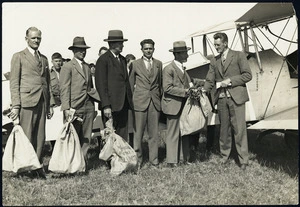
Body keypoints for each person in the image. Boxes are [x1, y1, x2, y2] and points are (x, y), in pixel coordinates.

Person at [9, 27, 54, 178]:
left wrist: (50, 105)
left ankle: (37, 166)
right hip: (27, 102)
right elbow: (14, 83)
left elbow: (47, 82)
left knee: (40, 137)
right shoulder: (19, 56)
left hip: (42, 101)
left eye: (39, 38)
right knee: (26, 136)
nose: (36, 41)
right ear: (26, 39)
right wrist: (16, 106)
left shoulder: (44, 58)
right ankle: (25, 169)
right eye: (33, 38)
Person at [202, 32, 252, 170]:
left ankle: (243, 161)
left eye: (218, 45)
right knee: (224, 130)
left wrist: (230, 81)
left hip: (237, 98)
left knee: (239, 129)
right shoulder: (214, 61)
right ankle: (224, 157)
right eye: (215, 45)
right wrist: (203, 91)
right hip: (222, 99)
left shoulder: (239, 55)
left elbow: (248, 75)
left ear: (225, 43)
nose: (216, 47)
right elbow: (209, 80)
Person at [59, 36, 96, 167]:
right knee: (72, 136)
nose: (83, 52)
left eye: (84, 49)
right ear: (73, 50)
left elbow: (90, 87)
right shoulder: (67, 66)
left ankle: (82, 163)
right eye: (79, 50)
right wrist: (66, 108)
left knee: (86, 136)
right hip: (74, 107)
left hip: (88, 106)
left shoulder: (87, 66)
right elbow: (64, 89)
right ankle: (71, 164)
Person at [129, 39, 163, 169]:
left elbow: (160, 84)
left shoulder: (159, 64)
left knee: (154, 134)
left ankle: (154, 160)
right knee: (138, 134)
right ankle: (138, 161)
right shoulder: (135, 64)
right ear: (141, 49)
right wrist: (133, 101)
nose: (148, 51)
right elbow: (131, 85)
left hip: (154, 103)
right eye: (146, 48)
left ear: (154, 49)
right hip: (139, 102)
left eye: (150, 48)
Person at [95, 30, 133, 142]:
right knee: (110, 135)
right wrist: (106, 105)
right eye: (120, 43)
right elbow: (101, 85)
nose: (122, 45)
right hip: (111, 105)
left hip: (123, 104)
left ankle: (122, 158)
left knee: (123, 135)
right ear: (112, 44)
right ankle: (111, 159)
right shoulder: (103, 60)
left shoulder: (122, 59)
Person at [161, 41, 194, 168]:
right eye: (185, 52)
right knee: (173, 133)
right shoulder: (169, 69)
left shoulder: (182, 68)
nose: (187, 55)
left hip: (182, 105)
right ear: (178, 54)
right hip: (173, 106)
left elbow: (189, 82)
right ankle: (172, 161)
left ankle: (183, 158)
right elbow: (167, 88)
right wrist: (186, 92)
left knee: (184, 131)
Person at [46, 52, 64, 150]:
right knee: (54, 126)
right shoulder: (48, 73)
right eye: (56, 61)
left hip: (64, 100)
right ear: (52, 61)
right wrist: (51, 104)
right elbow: (48, 89)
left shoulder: (64, 71)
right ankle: (54, 149)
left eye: (59, 61)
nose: (58, 63)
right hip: (55, 101)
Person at [125, 54, 136, 147]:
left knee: (133, 126)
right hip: (127, 103)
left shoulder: (134, 72)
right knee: (128, 127)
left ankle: (133, 144)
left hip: (134, 102)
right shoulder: (125, 72)